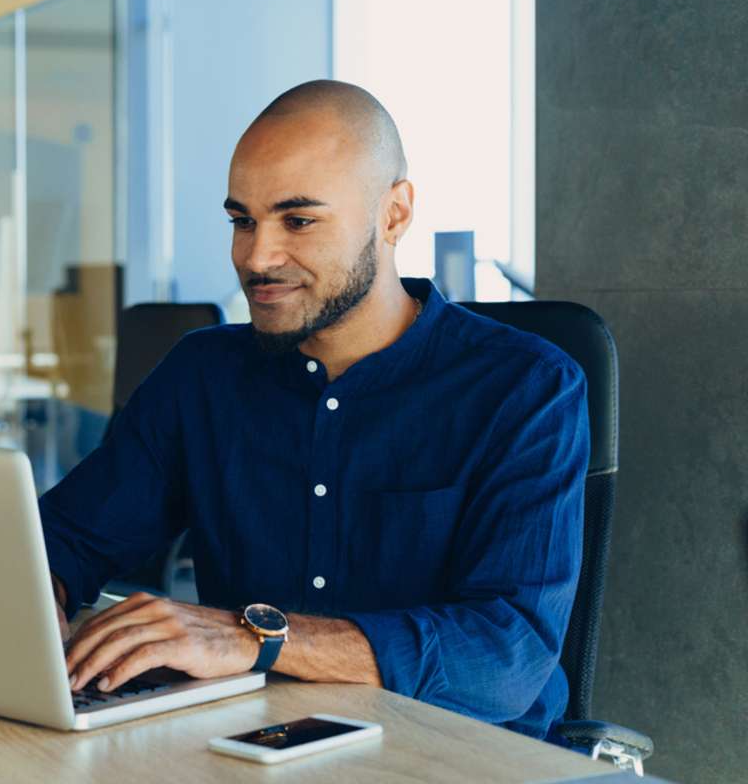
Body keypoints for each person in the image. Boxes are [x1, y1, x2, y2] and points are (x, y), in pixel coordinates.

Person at [39, 79, 588, 740]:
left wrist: (254, 638)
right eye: (242, 220)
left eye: (298, 220)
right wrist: (39, 597)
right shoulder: (202, 376)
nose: (257, 256)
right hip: (255, 744)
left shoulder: (526, 386)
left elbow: (507, 657)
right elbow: (69, 538)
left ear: (393, 215)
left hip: (458, 755)